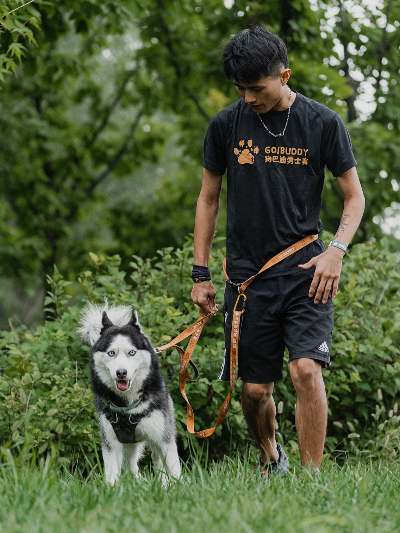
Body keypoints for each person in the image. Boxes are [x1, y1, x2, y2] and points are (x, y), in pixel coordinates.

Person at [190, 26, 365, 475]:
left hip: (308, 269)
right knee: (254, 393)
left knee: (306, 369)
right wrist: (201, 273)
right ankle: (271, 455)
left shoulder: (323, 123)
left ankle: (311, 480)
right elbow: (209, 198)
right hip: (247, 280)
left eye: (257, 88)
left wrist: (337, 251)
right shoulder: (226, 125)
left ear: (284, 75)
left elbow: (354, 197)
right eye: (240, 89)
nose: (248, 97)